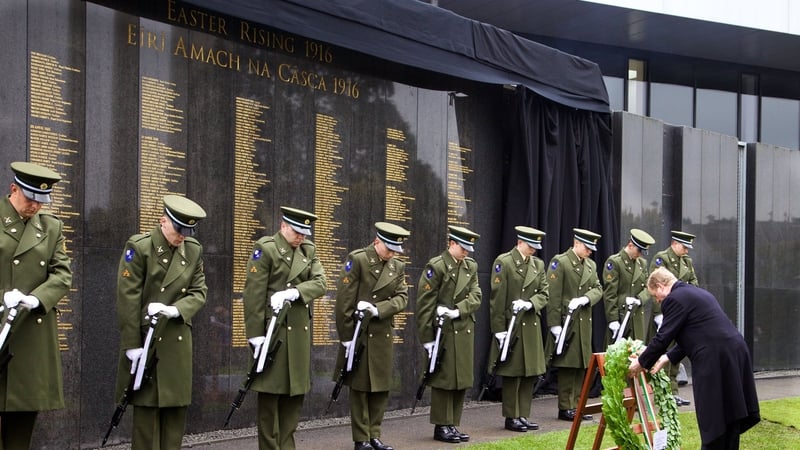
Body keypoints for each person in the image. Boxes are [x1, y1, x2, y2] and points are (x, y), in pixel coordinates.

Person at [629, 267, 760, 450]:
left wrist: (641, 362)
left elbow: (663, 337)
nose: (657, 301)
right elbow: (696, 333)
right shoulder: (696, 293)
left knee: (713, 417)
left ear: (660, 286)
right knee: (730, 416)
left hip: (714, 359)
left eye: (655, 296)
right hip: (734, 353)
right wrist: (666, 358)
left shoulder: (673, 299)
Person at [115, 194, 207, 450]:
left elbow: (199, 292)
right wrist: (132, 344)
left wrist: (176, 309)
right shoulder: (140, 247)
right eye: (179, 229)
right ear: (163, 221)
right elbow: (128, 298)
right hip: (147, 344)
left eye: (187, 231)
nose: (182, 237)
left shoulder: (193, 250)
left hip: (177, 342)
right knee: (147, 425)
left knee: (174, 423)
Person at [243, 206, 327, 450]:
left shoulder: (308, 251)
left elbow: (320, 282)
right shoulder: (266, 248)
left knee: (294, 399)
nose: (301, 237)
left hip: (298, 333)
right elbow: (253, 296)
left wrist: (296, 292)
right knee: (270, 400)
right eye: (296, 231)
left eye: (304, 232)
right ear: (283, 226)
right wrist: (256, 336)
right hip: (274, 333)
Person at [0, 162, 72, 449]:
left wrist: (37, 298)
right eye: (30, 199)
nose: (35, 207)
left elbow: (62, 273)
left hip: (30, 330)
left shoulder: (51, 227)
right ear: (13, 189)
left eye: (40, 201)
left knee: (22, 420)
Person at [334, 222, 411, 450]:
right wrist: (347, 337)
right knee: (360, 388)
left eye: (395, 251)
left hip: (382, 332)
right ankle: (361, 438)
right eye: (389, 249)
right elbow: (344, 302)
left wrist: (379, 309)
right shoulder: (358, 260)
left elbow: (402, 298)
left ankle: (374, 434)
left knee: (381, 387)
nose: (392, 254)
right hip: (360, 334)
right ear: (377, 241)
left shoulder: (396, 266)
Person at [415, 225, 481, 444]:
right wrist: (427, 339)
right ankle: (441, 425)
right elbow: (425, 306)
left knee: (460, 380)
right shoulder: (437, 266)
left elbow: (476, 295)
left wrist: (458, 310)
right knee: (444, 380)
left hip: (462, 328)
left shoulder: (470, 266)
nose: (466, 253)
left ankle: (453, 423)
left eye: (468, 249)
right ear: (452, 244)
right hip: (443, 333)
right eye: (463, 248)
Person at [488, 226, 548, 432]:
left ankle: (523, 414)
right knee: (513, 373)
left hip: (530, 323)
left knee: (528, 372)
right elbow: (497, 300)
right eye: (531, 246)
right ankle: (511, 416)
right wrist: (498, 329)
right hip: (512, 325)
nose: (534, 250)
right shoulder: (504, 262)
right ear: (520, 242)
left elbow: (544, 293)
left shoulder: (538, 265)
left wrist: (531, 303)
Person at [545, 228, 602, 422]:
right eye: (587, 247)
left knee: (580, 366)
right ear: (576, 243)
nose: (590, 252)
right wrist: (554, 324)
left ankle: (577, 405)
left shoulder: (590, 266)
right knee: (568, 367)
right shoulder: (560, 262)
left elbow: (598, 288)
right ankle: (565, 407)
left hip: (583, 322)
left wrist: (586, 298)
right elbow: (552, 296)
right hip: (567, 323)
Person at [648, 230, 698, 406]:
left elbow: (693, 284)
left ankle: (673, 392)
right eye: (684, 247)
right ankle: (661, 393)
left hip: (680, 314)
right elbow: (656, 288)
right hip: (665, 313)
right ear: (674, 243)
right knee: (662, 352)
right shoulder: (662, 259)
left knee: (675, 355)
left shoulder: (687, 262)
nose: (686, 251)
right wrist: (658, 314)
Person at [602, 228, 655, 345]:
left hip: (637, 317)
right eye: (639, 250)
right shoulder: (615, 262)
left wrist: (639, 299)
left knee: (636, 357)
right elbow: (610, 294)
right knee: (617, 358)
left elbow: (648, 287)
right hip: (621, 318)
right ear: (630, 245)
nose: (640, 254)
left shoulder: (642, 264)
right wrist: (613, 319)